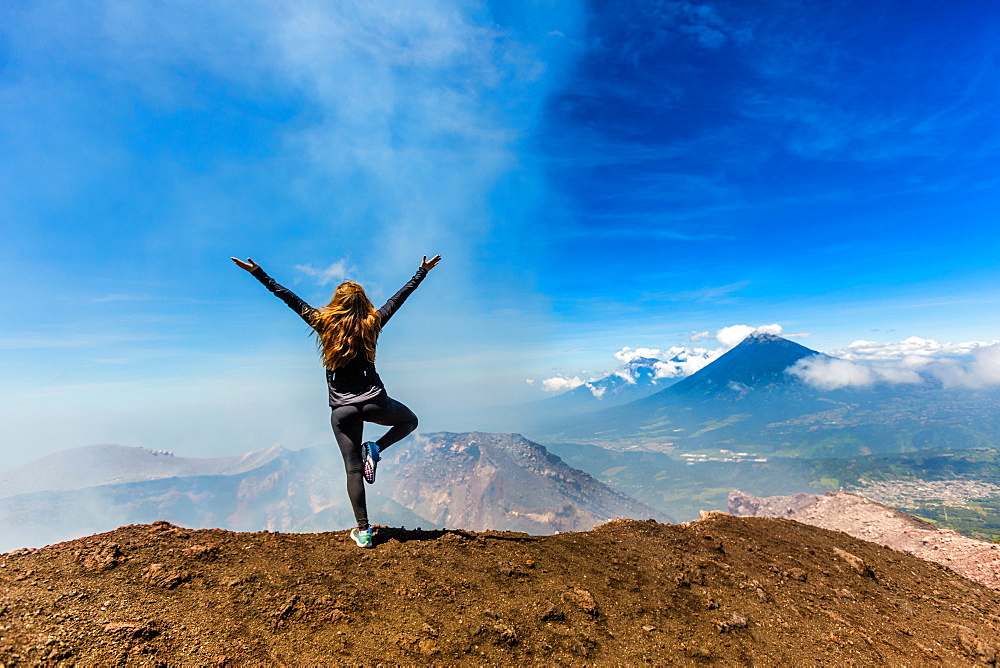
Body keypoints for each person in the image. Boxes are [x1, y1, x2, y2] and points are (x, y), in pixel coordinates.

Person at [232, 254, 441, 548]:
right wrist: (422, 271)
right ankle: (377, 447)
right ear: (363, 302)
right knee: (410, 421)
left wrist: (258, 272)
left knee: (353, 470)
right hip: (375, 402)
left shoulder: (322, 323)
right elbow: (400, 297)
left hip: (342, 412)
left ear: (337, 302)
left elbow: (287, 297)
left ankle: (364, 531)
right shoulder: (373, 323)